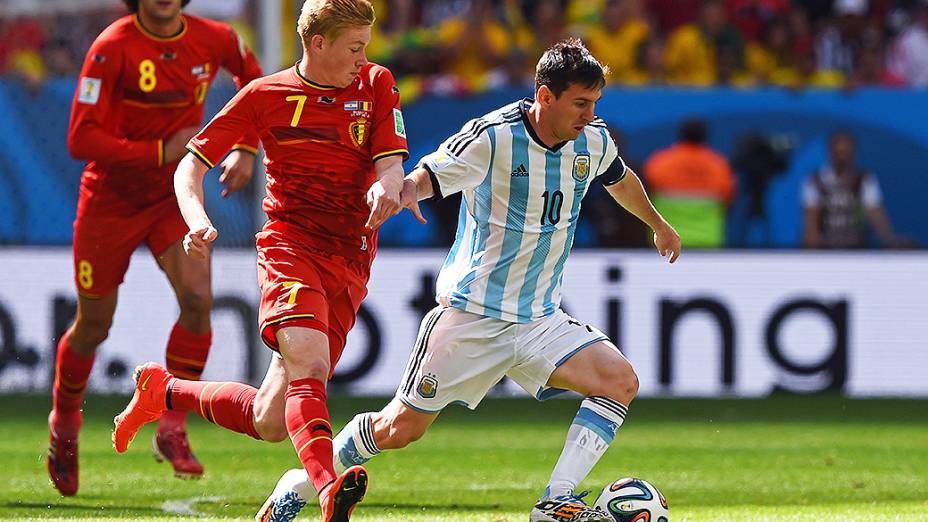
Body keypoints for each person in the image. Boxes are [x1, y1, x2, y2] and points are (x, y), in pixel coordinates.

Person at [260, 38, 681, 522]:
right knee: (400, 428)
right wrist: (402, 192)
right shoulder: (492, 136)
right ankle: (300, 482)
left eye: (595, 104)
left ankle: (555, 500)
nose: (589, 115)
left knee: (618, 381)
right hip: (471, 315)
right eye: (580, 103)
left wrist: (658, 223)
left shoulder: (593, 140)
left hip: (539, 318)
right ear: (545, 96)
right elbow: (429, 173)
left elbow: (619, 177)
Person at [111, 1, 408, 520]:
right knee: (310, 369)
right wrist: (196, 219)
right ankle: (325, 489)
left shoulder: (377, 84)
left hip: (351, 257)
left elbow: (390, 165)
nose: (364, 58)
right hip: (290, 246)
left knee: (272, 419)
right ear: (318, 44)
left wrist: (388, 190)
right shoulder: (265, 95)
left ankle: (163, 390)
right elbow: (191, 166)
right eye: (354, 47)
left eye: (366, 46)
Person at [49, 0, 262, 496]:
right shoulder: (112, 47)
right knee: (94, 325)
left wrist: (247, 146)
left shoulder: (217, 38)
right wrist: (160, 151)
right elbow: (80, 137)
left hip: (172, 196)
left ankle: (172, 425)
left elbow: (254, 83)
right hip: (111, 201)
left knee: (197, 300)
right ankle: (64, 425)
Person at [802, 131, 908, 249]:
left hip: (857, 249)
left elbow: (875, 213)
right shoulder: (815, 181)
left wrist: (889, 239)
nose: (842, 157)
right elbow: (811, 223)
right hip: (827, 250)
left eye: (846, 152)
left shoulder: (864, 180)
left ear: (853, 153)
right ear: (830, 152)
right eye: (839, 152)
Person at [643, 118, 736, 248]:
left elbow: (644, 198)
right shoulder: (719, 166)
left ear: (680, 135)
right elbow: (728, 201)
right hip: (708, 240)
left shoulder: (659, 163)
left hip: (666, 241)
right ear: (705, 136)